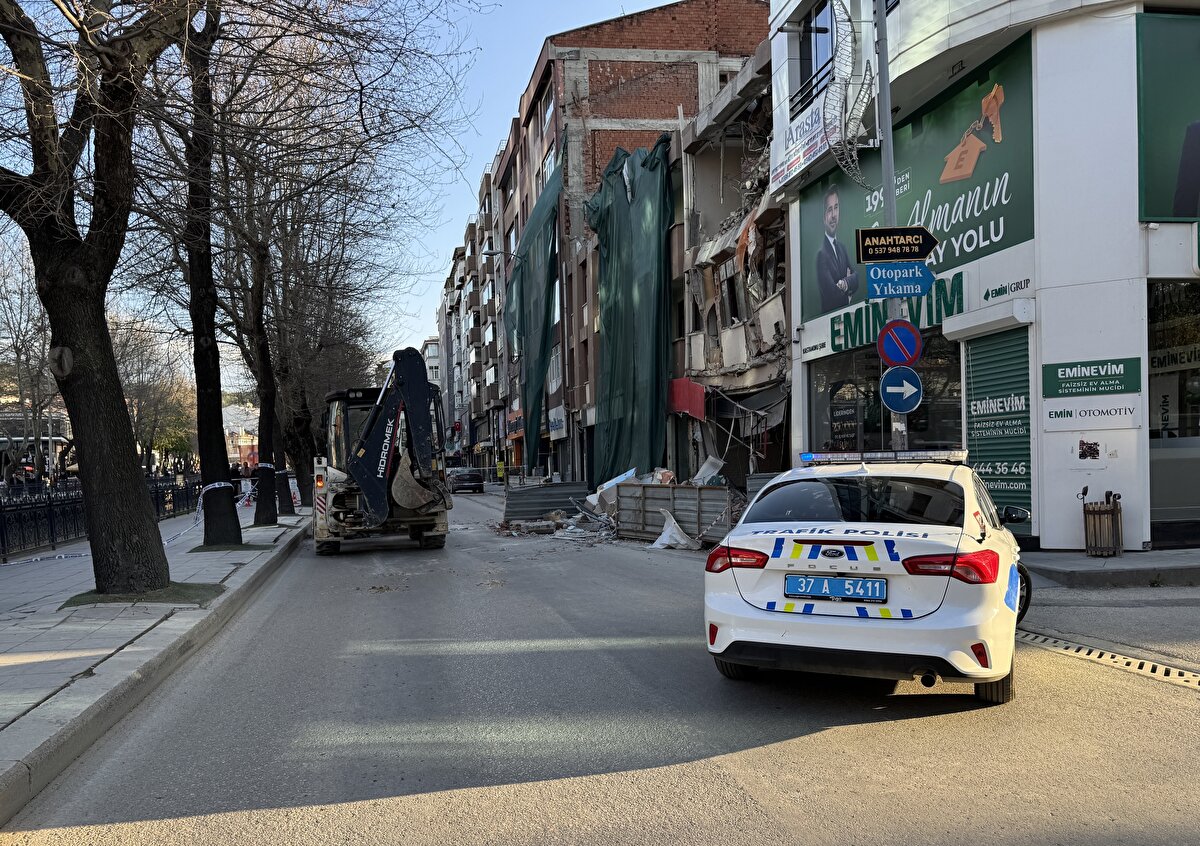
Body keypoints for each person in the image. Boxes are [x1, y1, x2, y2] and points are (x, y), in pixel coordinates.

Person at [816, 183, 858, 313]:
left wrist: (844, 283)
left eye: (836, 207)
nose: (834, 215)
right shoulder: (821, 255)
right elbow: (832, 295)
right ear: (823, 217)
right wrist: (849, 294)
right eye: (829, 210)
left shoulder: (842, 248)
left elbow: (857, 277)